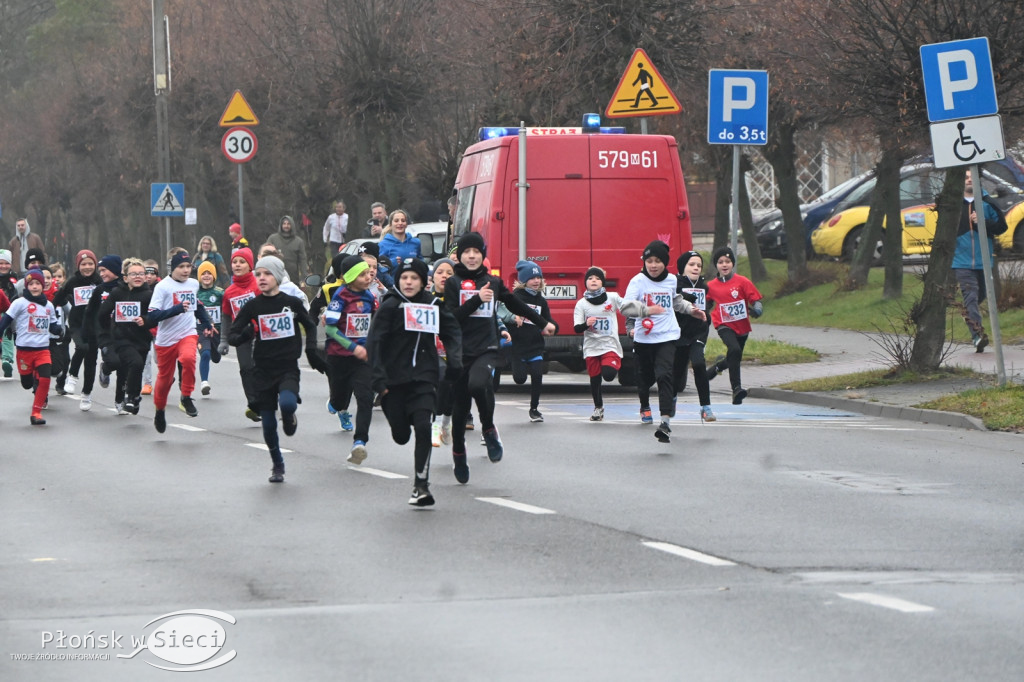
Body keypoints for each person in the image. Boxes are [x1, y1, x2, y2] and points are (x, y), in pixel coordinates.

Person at [444, 232, 555, 483]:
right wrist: (475, 301)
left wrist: (542, 322)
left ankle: (489, 428)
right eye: (466, 252)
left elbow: (514, 303)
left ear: (483, 255)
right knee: (460, 408)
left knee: (478, 384)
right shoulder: (453, 283)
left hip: (486, 347)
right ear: (460, 256)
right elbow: (452, 318)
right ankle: (459, 453)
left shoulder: (491, 281)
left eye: (476, 252)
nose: (471, 256)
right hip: (461, 350)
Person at [366, 257, 463, 505]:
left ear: (423, 281)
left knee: (423, 426)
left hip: (424, 376)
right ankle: (399, 421)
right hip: (393, 381)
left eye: (414, 278)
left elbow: (451, 331)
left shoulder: (432, 304)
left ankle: (421, 485)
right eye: (404, 278)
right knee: (401, 435)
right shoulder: (390, 305)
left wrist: (454, 361)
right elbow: (374, 342)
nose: (409, 282)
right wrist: (378, 379)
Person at [228, 256, 326, 483]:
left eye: (267, 274)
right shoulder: (252, 306)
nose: (261, 278)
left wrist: (311, 352)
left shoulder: (291, 303)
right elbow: (234, 334)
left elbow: (309, 326)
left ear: (278, 277)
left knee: (288, 404)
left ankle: (290, 416)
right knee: (269, 421)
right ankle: (277, 463)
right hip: (262, 368)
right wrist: (246, 334)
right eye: (258, 274)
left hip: (287, 366)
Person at [624, 241, 706, 442]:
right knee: (645, 377)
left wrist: (690, 310)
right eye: (649, 261)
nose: (653, 265)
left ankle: (665, 422)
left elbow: (676, 301)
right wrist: (647, 311)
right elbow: (625, 308)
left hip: (667, 335)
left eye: (658, 261)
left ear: (665, 263)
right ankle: (644, 405)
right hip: (644, 338)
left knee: (665, 375)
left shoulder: (670, 280)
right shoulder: (638, 281)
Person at [573, 266, 664, 421]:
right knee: (595, 380)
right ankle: (598, 408)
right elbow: (577, 328)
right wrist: (586, 324)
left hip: (610, 345)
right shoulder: (581, 304)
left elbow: (627, 308)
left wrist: (646, 310)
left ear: (603, 282)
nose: (593, 281)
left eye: (597, 278)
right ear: (585, 283)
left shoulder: (612, 298)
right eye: (590, 278)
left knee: (608, 375)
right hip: (592, 347)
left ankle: (613, 364)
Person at [147, 250, 214, 432]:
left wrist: (207, 322)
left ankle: (186, 396)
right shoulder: (163, 287)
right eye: (181, 267)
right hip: (166, 339)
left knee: (188, 359)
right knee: (164, 379)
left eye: (188, 267)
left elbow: (196, 305)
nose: (185, 270)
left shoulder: (193, 284)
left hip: (188, 332)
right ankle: (159, 411)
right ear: (173, 268)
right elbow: (152, 315)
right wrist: (176, 309)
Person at [324, 254, 378, 464]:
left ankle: (360, 443)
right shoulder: (340, 297)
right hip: (339, 358)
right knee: (340, 401)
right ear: (351, 277)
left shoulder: (368, 297)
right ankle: (336, 403)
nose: (368, 276)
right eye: (363, 274)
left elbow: (375, 319)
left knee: (365, 398)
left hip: (362, 358)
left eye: (369, 272)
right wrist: (352, 346)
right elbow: (330, 328)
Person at [954, 169, 1008, 352]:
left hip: (984, 261)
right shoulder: (953, 204)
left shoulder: (988, 203)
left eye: (972, 177)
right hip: (961, 262)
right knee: (970, 297)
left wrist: (983, 221)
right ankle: (978, 335)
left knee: (979, 297)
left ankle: (970, 316)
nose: (969, 180)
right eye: (966, 177)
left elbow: (1002, 227)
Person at [0, 269, 61, 424]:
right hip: (24, 350)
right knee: (27, 384)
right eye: (31, 284)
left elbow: (53, 324)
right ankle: (30, 375)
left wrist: (58, 330)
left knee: (45, 378)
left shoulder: (48, 305)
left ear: (42, 286)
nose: (34, 287)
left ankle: (36, 413)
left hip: (42, 349)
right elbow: (6, 320)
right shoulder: (19, 303)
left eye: (37, 284)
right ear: (26, 286)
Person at [705, 246, 763, 405]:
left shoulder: (742, 281)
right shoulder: (711, 285)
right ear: (716, 265)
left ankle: (717, 367)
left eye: (728, 261)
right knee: (735, 350)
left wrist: (757, 309)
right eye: (720, 262)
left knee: (734, 357)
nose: (724, 265)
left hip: (742, 326)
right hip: (723, 324)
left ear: (732, 264)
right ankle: (736, 390)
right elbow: (707, 303)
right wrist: (702, 314)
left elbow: (756, 300)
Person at [96, 258, 154, 415]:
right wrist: (110, 330)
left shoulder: (149, 295)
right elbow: (102, 314)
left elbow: (156, 315)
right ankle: (129, 397)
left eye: (141, 274)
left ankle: (134, 399)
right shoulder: (117, 293)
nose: (138, 277)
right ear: (125, 277)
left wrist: (146, 320)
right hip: (122, 339)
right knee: (134, 363)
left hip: (142, 339)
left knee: (138, 368)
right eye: (133, 274)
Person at [503, 260, 557, 422]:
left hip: (535, 346)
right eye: (532, 278)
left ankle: (534, 409)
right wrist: (513, 319)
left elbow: (548, 320)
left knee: (537, 375)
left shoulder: (541, 301)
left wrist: (553, 327)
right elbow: (505, 318)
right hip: (518, 347)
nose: (536, 281)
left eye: (538, 277)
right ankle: (518, 369)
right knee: (520, 379)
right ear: (523, 280)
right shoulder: (515, 298)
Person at [218, 247, 262, 421]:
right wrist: (223, 340)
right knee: (245, 368)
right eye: (235, 262)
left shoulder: (259, 285)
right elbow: (227, 317)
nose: (237, 265)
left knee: (260, 368)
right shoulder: (229, 292)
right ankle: (253, 404)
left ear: (250, 266)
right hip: (242, 335)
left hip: (261, 334)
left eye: (242, 262)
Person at [673, 250, 715, 422]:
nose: (696, 268)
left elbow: (712, 301)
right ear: (683, 267)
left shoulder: (704, 286)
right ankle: (672, 400)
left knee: (698, 363)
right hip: (679, 333)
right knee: (677, 370)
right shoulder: (674, 285)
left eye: (699, 265)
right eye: (691, 264)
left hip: (698, 331)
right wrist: (684, 297)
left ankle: (706, 407)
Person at [53, 250, 101, 400]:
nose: (87, 267)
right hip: (77, 323)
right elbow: (57, 299)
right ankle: (72, 376)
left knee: (91, 361)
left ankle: (86, 394)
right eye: (83, 264)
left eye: (90, 264)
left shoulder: (100, 281)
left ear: (95, 265)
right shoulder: (72, 282)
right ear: (78, 265)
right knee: (81, 347)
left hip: (94, 325)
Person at [80, 254, 124, 411]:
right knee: (96, 362)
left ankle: (120, 400)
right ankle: (86, 392)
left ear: (115, 270)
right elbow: (89, 312)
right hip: (100, 332)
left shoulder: (125, 287)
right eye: (101, 271)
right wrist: (85, 333)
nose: (102, 274)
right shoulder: (99, 290)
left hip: (120, 333)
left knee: (122, 365)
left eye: (105, 270)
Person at [428, 257, 457, 446]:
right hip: (431, 353)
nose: (444, 276)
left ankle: (447, 422)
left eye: (449, 273)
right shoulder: (425, 300)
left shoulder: (459, 301)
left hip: (454, 352)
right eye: (440, 272)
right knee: (440, 382)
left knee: (452, 390)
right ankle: (436, 425)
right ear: (433, 277)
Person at [195, 261, 224, 395]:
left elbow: (226, 312)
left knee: (216, 357)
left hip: (217, 330)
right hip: (201, 329)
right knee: (205, 354)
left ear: (214, 276)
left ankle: (215, 351)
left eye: (209, 273)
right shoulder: (195, 293)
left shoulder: (220, 293)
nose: (206, 276)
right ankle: (204, 382)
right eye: (203, 273)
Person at [46, 264, 72, 395]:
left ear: (64, 278)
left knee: (66, 360)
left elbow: (71, 312)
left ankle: (61, 384)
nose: (56, 279)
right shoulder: (43, 295)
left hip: (62, 333)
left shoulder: (66, 295)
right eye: (53, 276)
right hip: (46, 335)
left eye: (59, 276)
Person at [267, 215, 309, 284]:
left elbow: (302, 259)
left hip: (293, 276)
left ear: (292, 225)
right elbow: (266, 254)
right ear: (281, 225)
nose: (286, 226)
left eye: (288, 224)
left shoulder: (298, 241)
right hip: (276, 274)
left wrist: (304, 275)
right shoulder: (273, 239)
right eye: (284, 224)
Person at [0, 249, 19, 377]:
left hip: (8, 311)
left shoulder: (14, 278)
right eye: (0, 263)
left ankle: (7, 359)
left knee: (7, 335)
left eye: (6, 263)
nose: (3, 266)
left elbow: (17, 295)